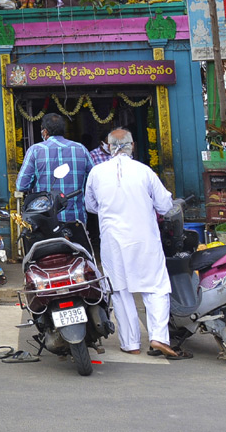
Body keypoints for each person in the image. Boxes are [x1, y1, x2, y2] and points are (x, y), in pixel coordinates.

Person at [84, 128, 186, 358]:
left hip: (113, 241)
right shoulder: (144, 171)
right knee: (156, 287)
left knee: (120, 290)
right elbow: (164, 205)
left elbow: (91, 206)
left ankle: (130, 343)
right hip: (144, 238)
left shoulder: (97, 173)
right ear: (132, 146)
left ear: (108, 147)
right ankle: (158, 337)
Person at [15, 113, 93, 240]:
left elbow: (21, 185)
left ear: (44, 132)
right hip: (75, 219)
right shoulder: (81, 149)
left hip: (44, 220)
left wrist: (36, 179)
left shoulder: (35, 150)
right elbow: (93, 181)